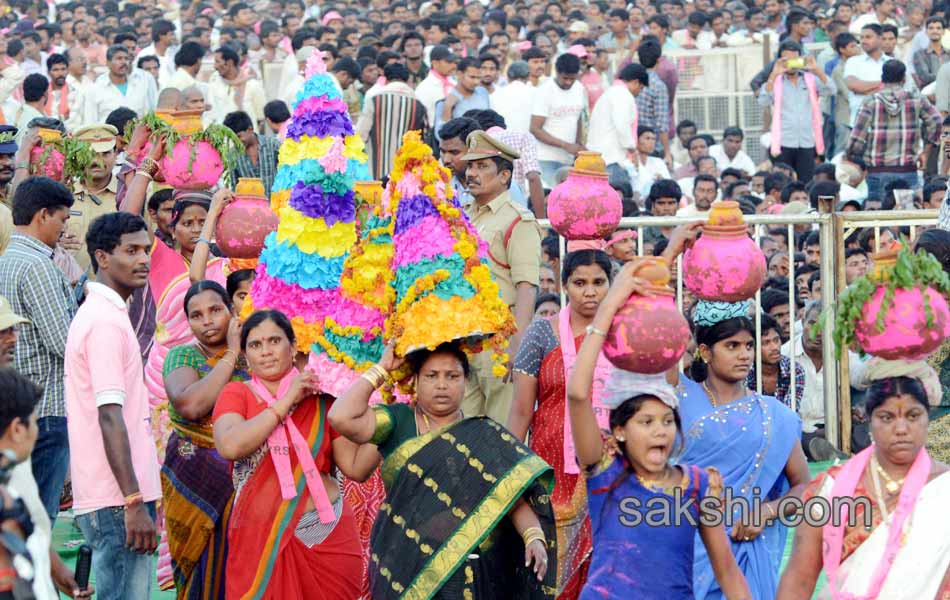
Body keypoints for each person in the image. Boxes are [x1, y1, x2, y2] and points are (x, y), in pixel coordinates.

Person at [563, 261, 752, 600]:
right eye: (646, 423)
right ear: (618, 431)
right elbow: (578, 393)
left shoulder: (698, 484)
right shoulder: (605, 473)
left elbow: (726, 569)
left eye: (667, 421)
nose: (660, 432)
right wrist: (608, 307)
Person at [328, 341, 556, 599]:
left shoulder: (483, 434)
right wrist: (382, 368)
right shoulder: (397, 421)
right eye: (431, 376)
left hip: (469, 570)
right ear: (415, 381)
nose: (442, 385)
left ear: (466, 381)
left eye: (452, 376)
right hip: (404, 565)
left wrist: (533, 537)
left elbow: (510, 497)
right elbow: (340, 417)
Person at [211, 310, 364, 598]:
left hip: (329, 534)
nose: (266, 352)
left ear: (293, 347)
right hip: (260, 541)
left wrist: (385, 414)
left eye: (274, 341)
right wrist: (287, 400)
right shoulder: (236, 394)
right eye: (255, 345)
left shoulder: (321, 397)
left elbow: (356, 466)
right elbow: (230, 445)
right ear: (244, 355)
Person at [673, 298, 811, 600]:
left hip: (745, 551)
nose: (744, 354)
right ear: (706, 352)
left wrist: (766, 511)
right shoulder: (678, 397)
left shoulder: (774, 415)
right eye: (732, 346)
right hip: (683, 546)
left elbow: (804, 486)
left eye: (748, 346)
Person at [777, 372, 950, 599]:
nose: (901, 428)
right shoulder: (831, 489)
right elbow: (799, 579)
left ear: (929, 417)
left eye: (913, 415)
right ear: (868, 419)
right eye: (887, 417)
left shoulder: (944, 487)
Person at [65, 212, 160, 600]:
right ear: (102, 258)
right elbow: (109, 415)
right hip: (117, 499)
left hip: (117, 495)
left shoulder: (108, 314)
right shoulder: (104, 322)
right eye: (131, 250)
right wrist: (133, 500)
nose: (143, 260)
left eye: (147, 250)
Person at [508, 249, 613, 599]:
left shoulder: (621, 334)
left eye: (599, 282)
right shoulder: (542, 333)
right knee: (549, 580)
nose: (590, 291)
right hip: (549, 476)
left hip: (609, 474)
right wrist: (510, 476)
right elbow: (521, 412)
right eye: (580, 282)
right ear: (565, 285)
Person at [161, 280, 250, 599]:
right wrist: (231, 355)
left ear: (231, 310)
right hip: (194, 483)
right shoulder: (182, 356)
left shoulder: (254, 355)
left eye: (215, 310)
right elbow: (191, 404)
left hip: (247, 486)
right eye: (196, 315)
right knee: (201, 578)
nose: (207, 320)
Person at [0, 177, 76, 522]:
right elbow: (64, 343)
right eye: (62, 219)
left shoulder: (8, 259)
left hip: (23, 402)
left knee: (21, 514)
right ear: (43, 215)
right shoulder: (37, 266)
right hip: (46, 408)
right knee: (38, 518)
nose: (63, 228)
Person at [462, 131, 541, 423]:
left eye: (483, 167)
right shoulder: (464, 215)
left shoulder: (518, 219)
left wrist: (517, 346)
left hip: (499, 343)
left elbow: (526, 287)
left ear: (505, 175)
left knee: (501, 438)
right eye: (471, 166)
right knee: (462, 435)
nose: (472, 173)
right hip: (464, 339)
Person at [1, 367, 94, 600]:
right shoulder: (7, 503)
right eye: (35, 423)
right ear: (17, 429)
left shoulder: (11, 481)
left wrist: (59, 574)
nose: (37, 431)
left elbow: (33, 529)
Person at [847, 60, 941, 201]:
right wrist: (926, 152)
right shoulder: (916, 99)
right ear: (904, 78)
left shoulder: (870, 101)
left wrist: (851, 156)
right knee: (906, 217)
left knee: (876, 217)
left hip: (877, 171)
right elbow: (937, 121)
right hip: (907, 169)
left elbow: (856, 139)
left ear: (883, 77)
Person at [759, 41, 833, 183]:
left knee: (806, 182)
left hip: (806, 142)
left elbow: (831, 89)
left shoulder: (810, 79)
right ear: (779, 60)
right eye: (787, 60)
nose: (791, 64)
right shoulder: (775, 81)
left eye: (795, 59)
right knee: (782, 183)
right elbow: (763, 100)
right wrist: (774, 74)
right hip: (782, 142)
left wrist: (816, 69)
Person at [355, 63, 427, 181]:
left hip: (375, 170)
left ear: (385, 79)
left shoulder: (375, 100)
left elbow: (360, 135)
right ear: (407, 79)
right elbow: (423, 141)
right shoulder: (418, 104)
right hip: (405, 173)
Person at [530, 53, 588, 188]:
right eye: (565, 78)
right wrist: (565, 145)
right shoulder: (545, 91)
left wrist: (578, 145)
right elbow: (535, 128)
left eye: (572, 79)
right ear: (557, 72)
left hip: (568, 159)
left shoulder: (579, 89)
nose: (568, 82)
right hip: (545, 158)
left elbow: (578, 119)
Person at [68, 124, 120, 274]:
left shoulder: (127, 195)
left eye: (105, 153)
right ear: (77, 156)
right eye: (91, 153)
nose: (97, 160)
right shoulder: (63, 195)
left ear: (116, 154)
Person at [586, 63, 648, 188]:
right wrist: (632, 148)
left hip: (599, 158)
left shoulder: (611, 92)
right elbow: (622, 125)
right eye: (641, 88)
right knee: (616, 203)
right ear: (636, 82)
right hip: (611, 159)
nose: (639, 93)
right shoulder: (623, 95)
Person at [745, 313, 806, 409]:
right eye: (766, 343)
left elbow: (789, 412)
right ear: (753, 347)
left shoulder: (794, 370)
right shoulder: (745, 371)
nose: (774, 347)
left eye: (776, 340)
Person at [84, 45, 157, 123]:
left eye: (126, 59)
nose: (124, 62)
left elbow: (148, 115)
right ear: (108, 63)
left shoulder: (140, 85)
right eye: (119, 58)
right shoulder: (95, 89)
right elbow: (90, 122)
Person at [224, 110, 280, 197]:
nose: (236, 142)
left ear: (250, 129)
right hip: (249, 208)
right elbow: (234, 186)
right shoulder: (232, 155)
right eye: (233, 138)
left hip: (276, 205)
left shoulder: (273, 145)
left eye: (239, 136)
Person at [415, 44, 458, 126]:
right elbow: (425, 120)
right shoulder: (424, 88)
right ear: (435, 63)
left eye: (454, 62)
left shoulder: (454, 84)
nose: (453, 65)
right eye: (448, 62)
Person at [490, 60, 533, 134]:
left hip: (501, 140)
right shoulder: (536, 93)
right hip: (528, 141)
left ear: (508, 76)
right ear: (528, 76)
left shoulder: (495, 95)